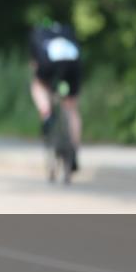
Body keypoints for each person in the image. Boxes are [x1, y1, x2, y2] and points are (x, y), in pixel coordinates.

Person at [29, 19, 82, 172]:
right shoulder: (68, 32)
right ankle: (74, 153)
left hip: (48, 63)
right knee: (71, 108)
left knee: (38, 86)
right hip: (73, 64)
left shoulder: (38, 33)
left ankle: (46, 113)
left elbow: (34, 64)